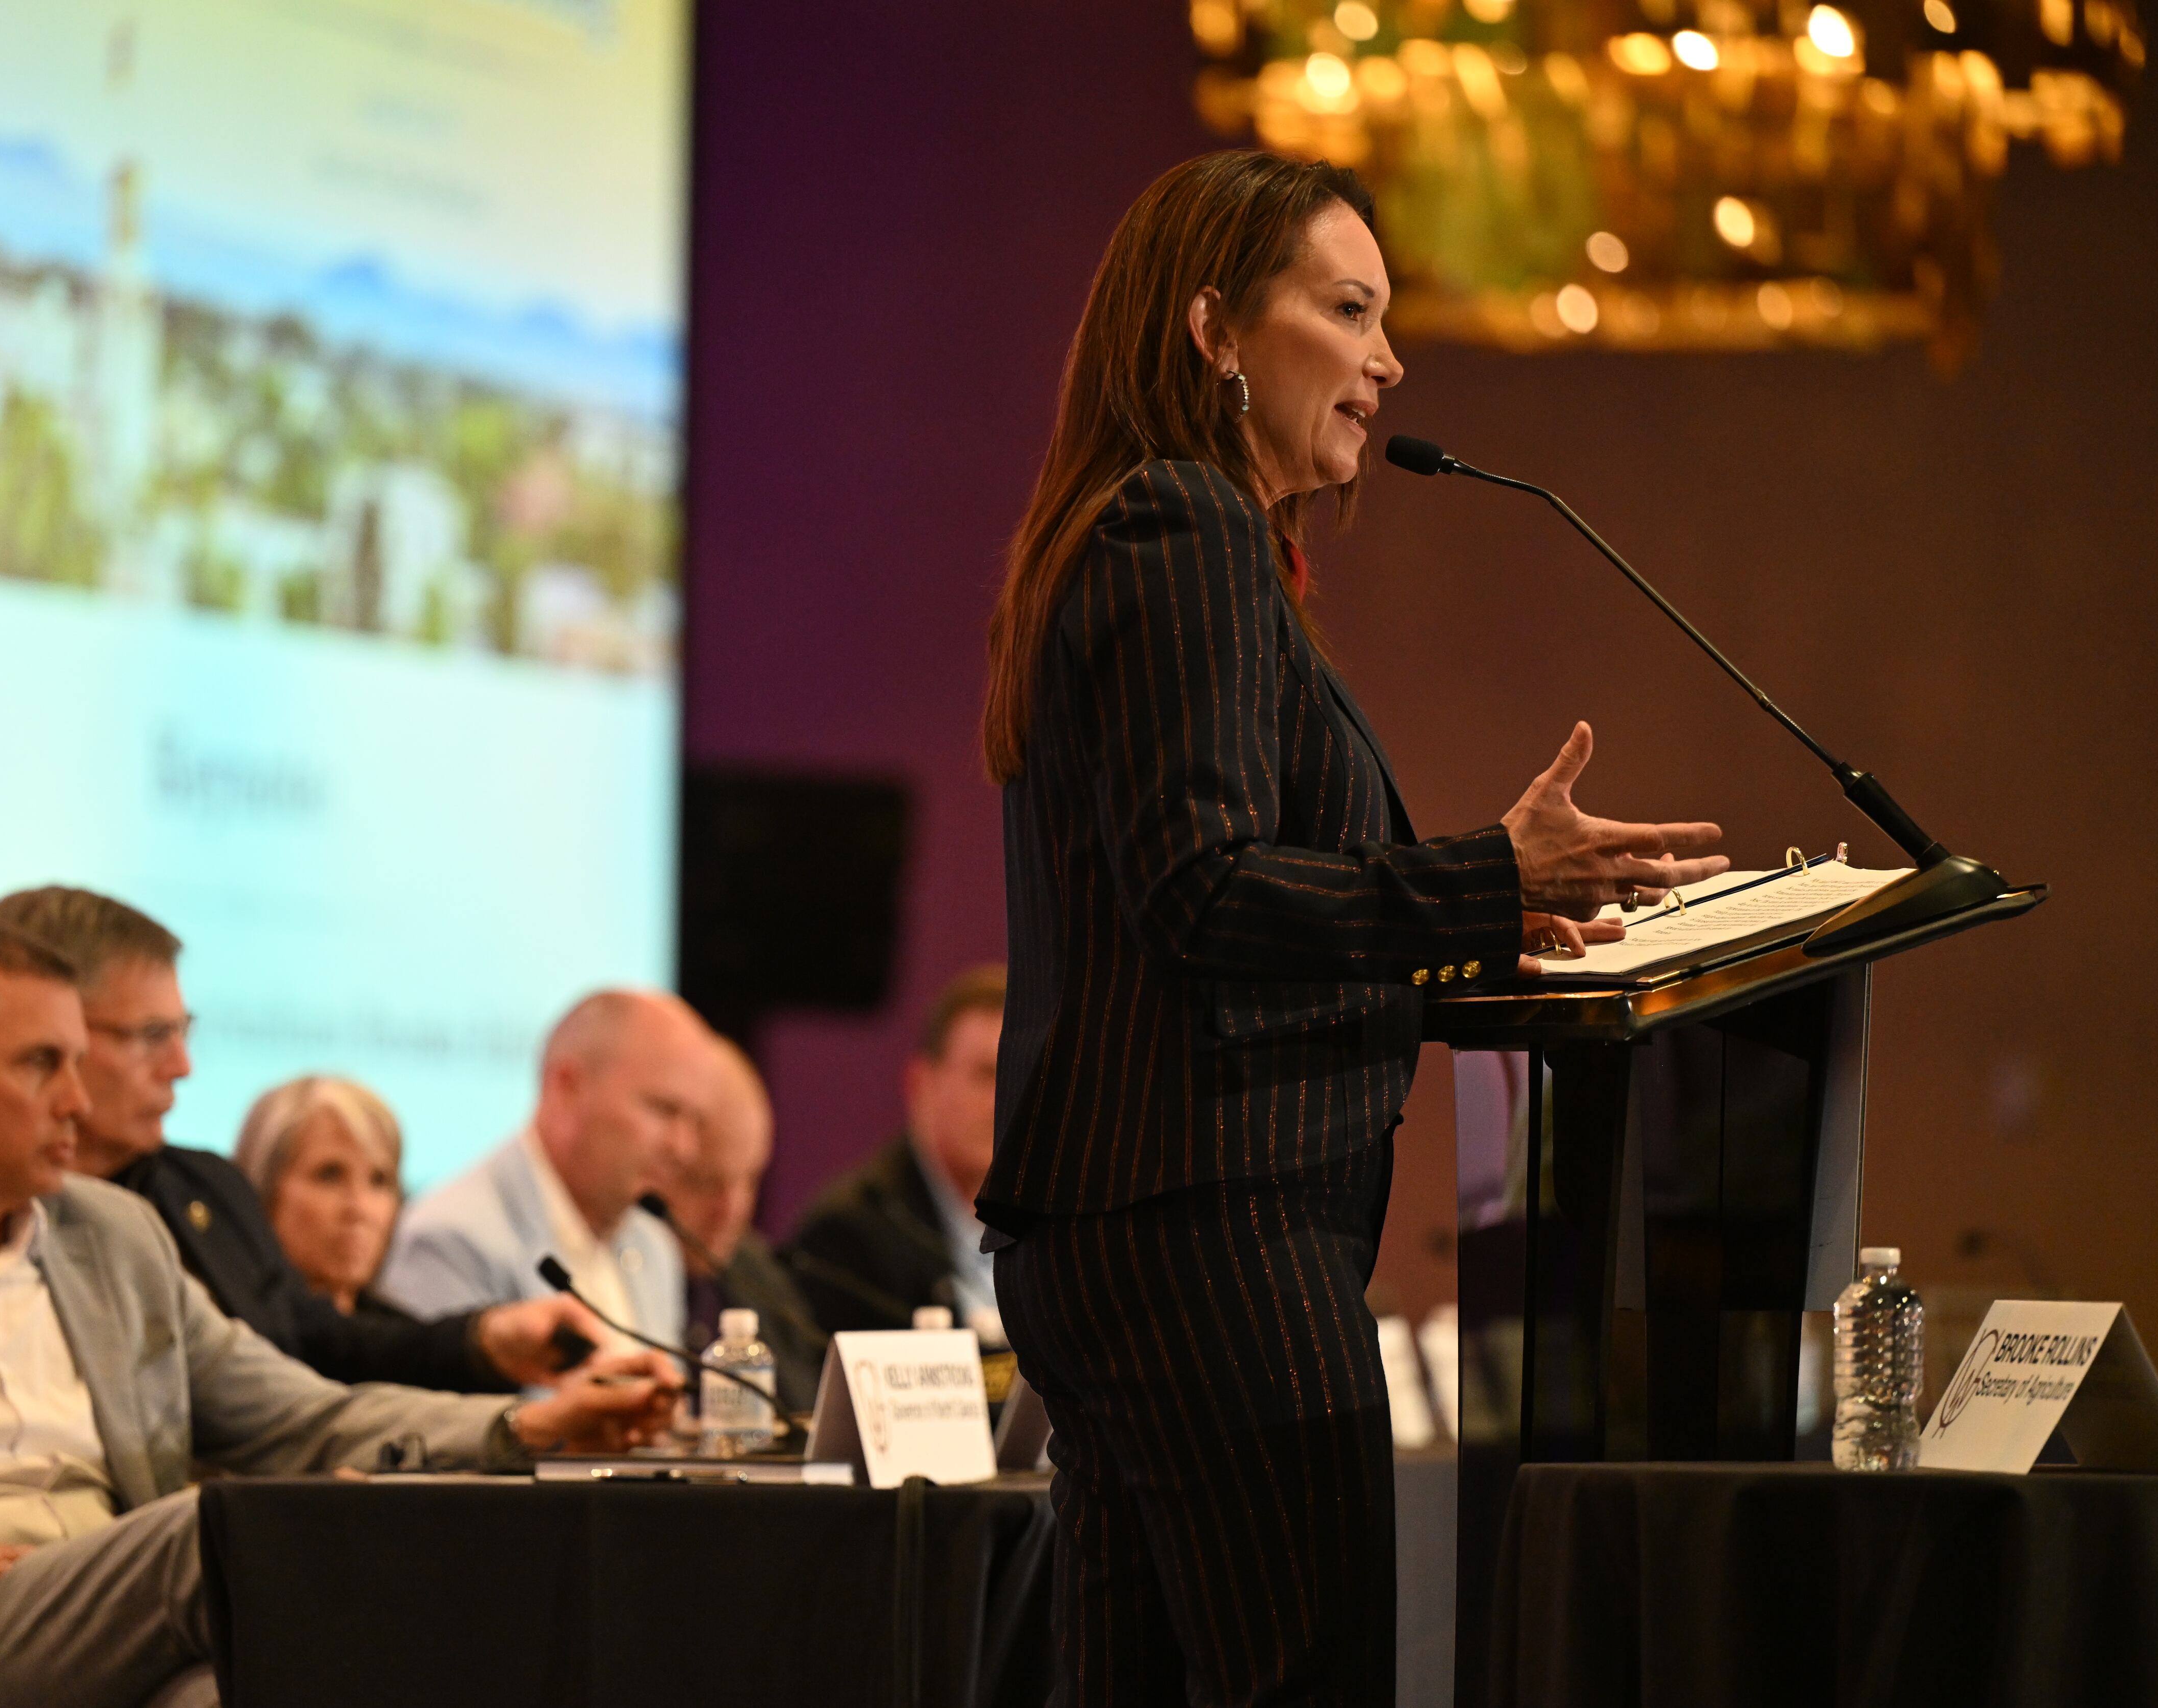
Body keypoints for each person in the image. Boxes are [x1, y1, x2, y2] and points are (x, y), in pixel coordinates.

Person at [976, 152, 1729, 1705]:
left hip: (1135, 1229)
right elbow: (1202, 891)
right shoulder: (1180, 524)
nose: (1388, 361)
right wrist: (1482, 876)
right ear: (1213, 330)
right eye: (1347, 310)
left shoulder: (1150, 534)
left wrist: (1499, 949)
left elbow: (1221, 914)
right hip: (1213, 1226)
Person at [0, 924, 673, 1708]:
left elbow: (302, 1416)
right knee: (219, 1530)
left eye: (83, 1063)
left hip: (112, 1637)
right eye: (43, 1063)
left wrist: (529, 1424)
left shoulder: (117, 1238)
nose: (80, 1103)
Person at [0, 887, 580, 1393]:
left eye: (182, 1031)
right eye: (150, 1035)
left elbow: (317, 1350)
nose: (182, 1065)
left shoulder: (205, 1190)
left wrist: (486, 1343)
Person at [379, 990, 704, 1352]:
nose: (684, 1148)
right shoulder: (449, 1241)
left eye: (694, 1120)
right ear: (567, 1087)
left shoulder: (652, 1242)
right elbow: (460, 1410)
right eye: (663, 1109)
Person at [784, 965, 1007, 1339]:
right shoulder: (849, 1238)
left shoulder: (1053, 1225)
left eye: (1022, 1077)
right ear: (922, 1085)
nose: (1006, 1101)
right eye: (987, 1075)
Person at [657, 1037, 825, 1413]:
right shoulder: (616, 1278)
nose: (731, 1211)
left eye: (749, 1179)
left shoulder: (759, 1275)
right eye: (705, 1182)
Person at [234, 1075, 406, 1315]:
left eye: (379, 1181)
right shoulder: (220, 1340)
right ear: (263, 1187)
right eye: (330, 1176)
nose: (359, 1208)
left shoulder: (414, 1341)